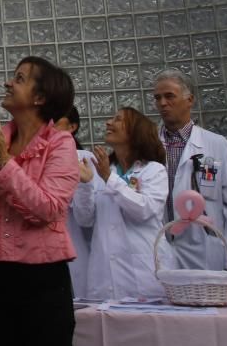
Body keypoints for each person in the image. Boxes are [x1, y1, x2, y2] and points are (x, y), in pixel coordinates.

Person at [0, 57, 79, 346]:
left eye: (20, 78)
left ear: (40, 97)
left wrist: (3, 161)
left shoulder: (60, 143)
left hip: (42, 280)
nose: (8, 83)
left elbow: (47, 209)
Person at [153, 69, 227, 275]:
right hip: (160, 250)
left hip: (207, 254)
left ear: (189, 100)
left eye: (169, 96)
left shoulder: (216, 146)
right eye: (158, 98)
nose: (162, 103)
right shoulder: (147, 144)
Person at [72, 106, 172, 300]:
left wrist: (110, 179)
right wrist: (84, 185)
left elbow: (144, 209)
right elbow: (84, 219)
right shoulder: (101, 170)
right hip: (105, 275)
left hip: (145, 273)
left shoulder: (154, 170)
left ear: (135, 131)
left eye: (117, 119)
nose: (109, 122)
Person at [53, 107, 92, 300]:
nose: (49, 125)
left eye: (56, 120)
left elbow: (86, 216)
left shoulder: (85, 160)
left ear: (72, 127)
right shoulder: (35, 155)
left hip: (74, 244)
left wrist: (84, 185)